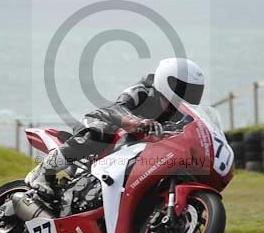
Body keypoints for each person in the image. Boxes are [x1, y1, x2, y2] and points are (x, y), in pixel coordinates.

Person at [25, 57, 205, 207]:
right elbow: (117, 109)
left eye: (193, 92)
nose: (188, 96)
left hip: (136, 151)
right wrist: (136, 122)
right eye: (183, 89)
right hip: (102, 125)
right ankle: (43, 172)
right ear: (167, 81)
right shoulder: (143, 91)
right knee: (101, 131)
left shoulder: (182, 116)